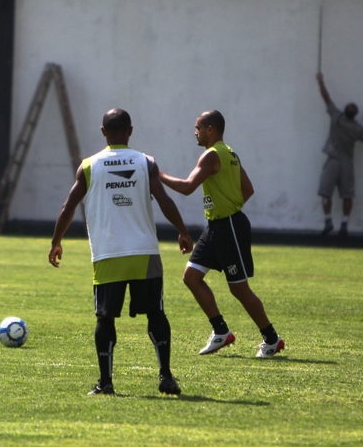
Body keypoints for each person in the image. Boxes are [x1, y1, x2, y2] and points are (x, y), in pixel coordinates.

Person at [48, 108, 193, 396]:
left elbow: (68, 206)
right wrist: (183, 230)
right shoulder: (145, 162)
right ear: (130, 131)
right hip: (144, 252)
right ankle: (165, 376)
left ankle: (106, 383)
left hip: (108, 253)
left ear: (103, 132)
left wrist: (56, 241)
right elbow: (163, 200)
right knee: (156, 313)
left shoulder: (89, 166)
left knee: (105, 318)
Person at [159, 110, 284, 357]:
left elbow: (186, 188)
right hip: (216, 226)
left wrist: (157, 174)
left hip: (229, 227)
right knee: (191, 277)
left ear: (211, 129)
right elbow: (247, 189)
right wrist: (229, 203)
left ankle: (272, 339)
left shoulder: (212, 155)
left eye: (198, 127)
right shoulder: (230, 154)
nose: (195, 132)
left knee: (239, 289)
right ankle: (221, 332)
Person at [316, 73, 363, 237]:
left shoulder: (337, 117)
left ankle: (328, 220)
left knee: (325, 192)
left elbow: (326, 97)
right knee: (347, 195)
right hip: (347, 163)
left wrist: (321, 81)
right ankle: (344, 224)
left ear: (346, 111)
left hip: (333, 160)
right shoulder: (357, 129)